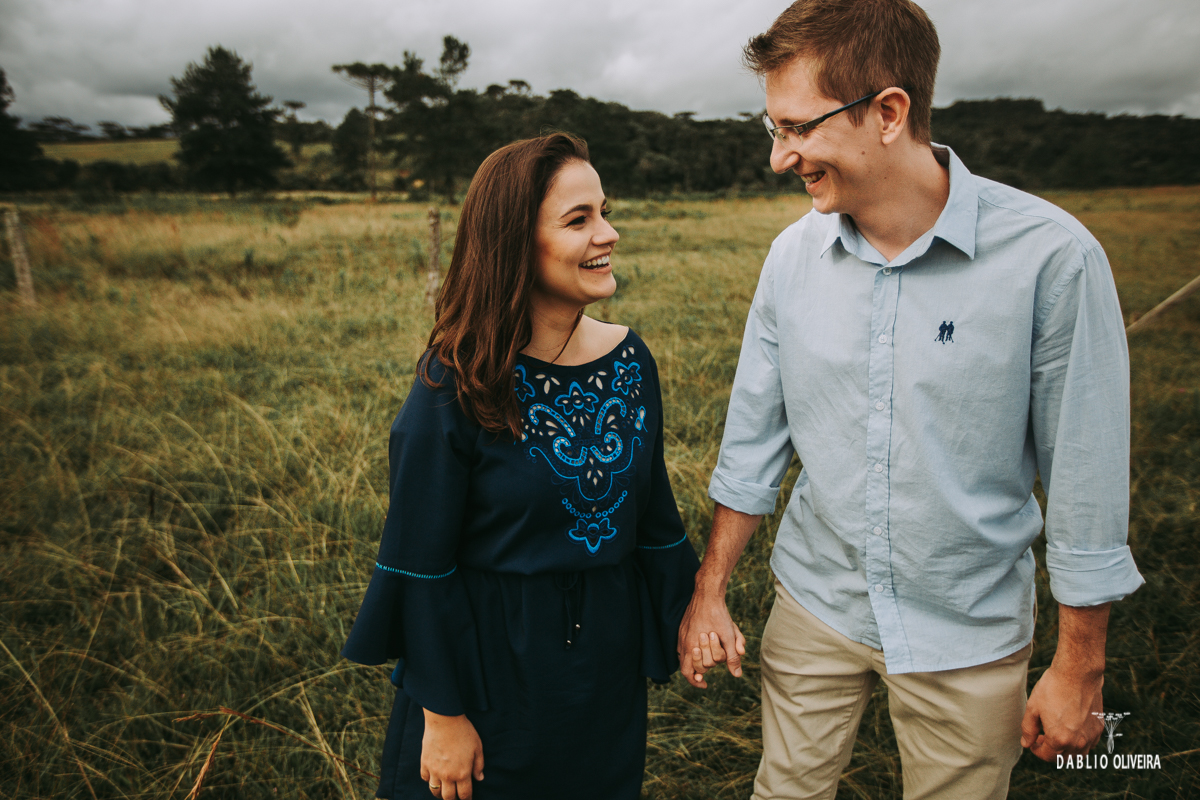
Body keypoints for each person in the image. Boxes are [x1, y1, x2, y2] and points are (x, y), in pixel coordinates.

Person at [677, 1, 1144, 798]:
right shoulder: (791, 259)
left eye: (798, 128)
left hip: (967, 626)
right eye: (773, 129)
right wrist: (710, 591)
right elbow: (753, 437)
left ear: (889, 112)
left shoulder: (1053, 259)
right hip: (815, 602)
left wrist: (1079, 667)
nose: (780, 157)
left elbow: (1087, 482)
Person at [342, 133, 699, 800]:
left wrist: (695, 612)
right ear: (514, 243)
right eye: (579, 219)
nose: (609, 233)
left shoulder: (629, 361)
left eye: (604, 211)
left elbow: (653, 518)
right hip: (489, 676)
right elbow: (419, 562)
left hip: (601, 678)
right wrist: (444, 715)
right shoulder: (454, 381)